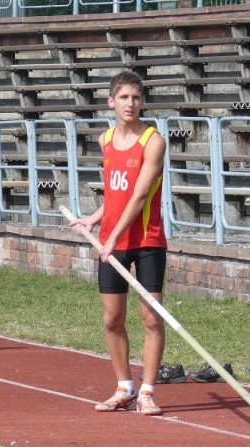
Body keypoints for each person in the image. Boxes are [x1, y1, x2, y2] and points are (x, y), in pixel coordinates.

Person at [69, 70, 167, 416]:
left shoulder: (153, 141)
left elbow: (139, 196)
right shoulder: (105, 140)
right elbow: (115, 192)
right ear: (111, 102)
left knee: (151, 317)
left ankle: (148, 392)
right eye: (124, 97)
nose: (131, 103)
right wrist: (94, 220)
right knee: (112, 319)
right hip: (112, 241)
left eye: (136, 97)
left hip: (147, 240)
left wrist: (109, 239)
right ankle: (124, 387)